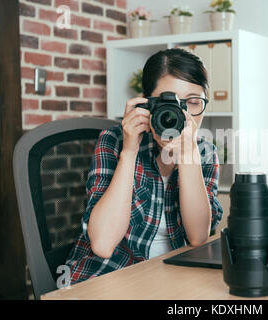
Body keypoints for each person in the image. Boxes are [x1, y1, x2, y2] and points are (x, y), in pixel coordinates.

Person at [65, 48, 223, 284]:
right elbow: (103, 245)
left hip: (169, 278)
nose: (179, 113)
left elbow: (198, 238)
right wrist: (129, 151)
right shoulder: (114, 141)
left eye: (192, 102)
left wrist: (188, 155)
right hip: (107, 277)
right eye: (167, 102)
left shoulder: (204, 152)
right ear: (146, 102)